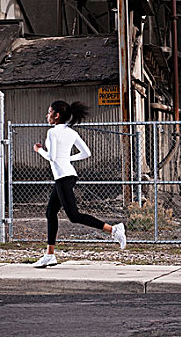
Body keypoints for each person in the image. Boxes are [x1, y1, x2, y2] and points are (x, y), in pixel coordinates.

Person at [32, 100, 126, 268]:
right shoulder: (71, 132)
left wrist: (40, 151)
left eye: (49, 112)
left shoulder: (52, 132)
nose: (47, 115)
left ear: (56, 115)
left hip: (63, 177)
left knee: (74, 216)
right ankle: (50, 255)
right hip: (67, 175)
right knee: (50, 212)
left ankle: (114, 230)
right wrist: (67, 159)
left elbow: (52, 158)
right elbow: (86, 153)